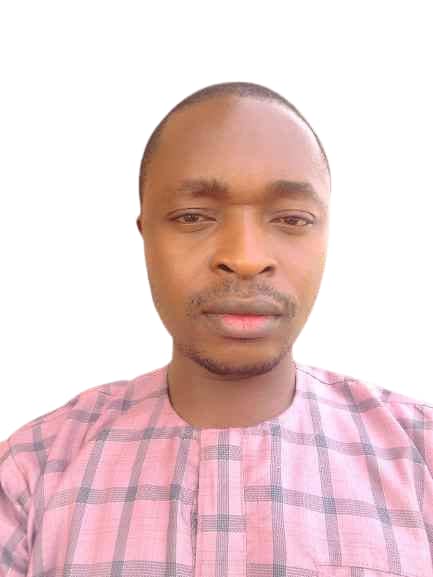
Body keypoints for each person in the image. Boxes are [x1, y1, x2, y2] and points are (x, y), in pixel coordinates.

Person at [1, 82, 432, 577]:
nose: (245, 258)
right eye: (192, 217)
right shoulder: (30, 474)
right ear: (146, 236)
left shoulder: (421, 456)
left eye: (292, 219)